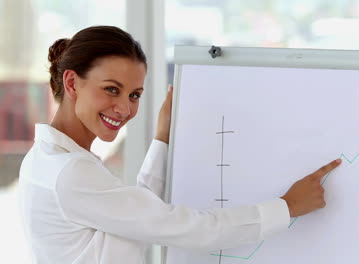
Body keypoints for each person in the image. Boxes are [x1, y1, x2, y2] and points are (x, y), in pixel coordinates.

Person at [18, 26, 341, 263]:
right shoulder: (71, 173)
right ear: (72, 82)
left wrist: (162, 138)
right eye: (111, 89)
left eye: (135, 95)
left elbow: (137, 216)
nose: (125, 109)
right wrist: (288, 206)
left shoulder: (46, 160)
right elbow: (188, 228)